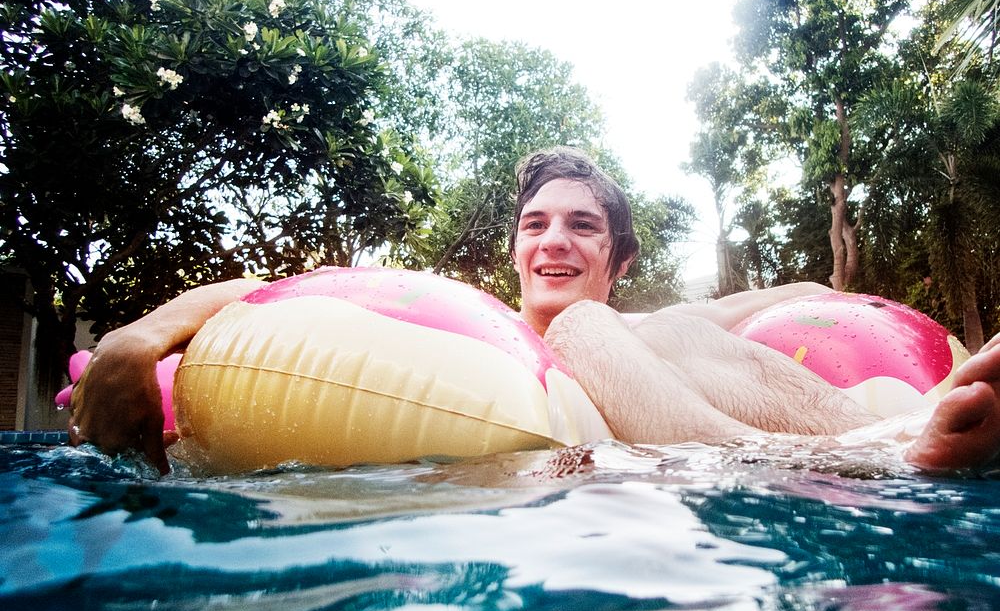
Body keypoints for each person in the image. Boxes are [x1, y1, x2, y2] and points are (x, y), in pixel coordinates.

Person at [69, 147, 1000, 475]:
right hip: (557, 481)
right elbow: (268, 293)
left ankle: (890, 442)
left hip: (692, 477)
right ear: (514, 248)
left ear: (617, 255)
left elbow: (803, 298)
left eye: (583, 227)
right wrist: (134, 339)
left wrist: (927, 348)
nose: (554, 241)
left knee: (644, 324)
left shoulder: (657, 325)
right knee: (584, 332)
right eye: (536, 224)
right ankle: (878, 456)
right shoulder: (459, 336)